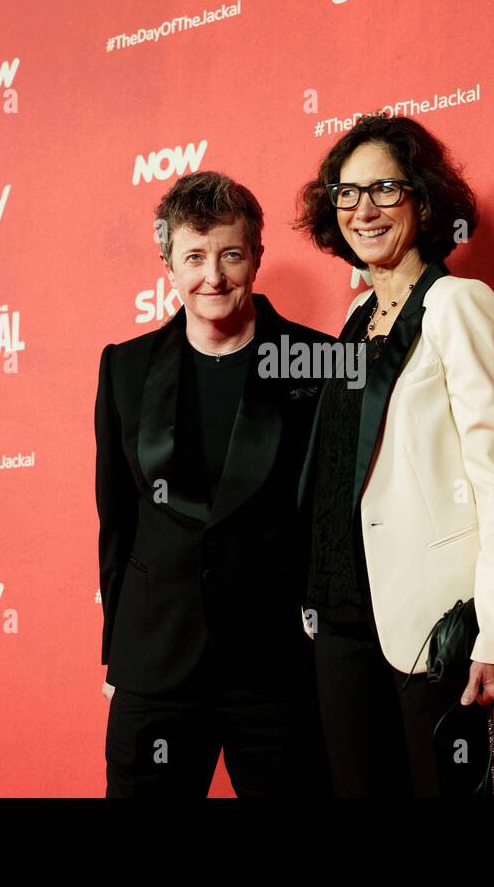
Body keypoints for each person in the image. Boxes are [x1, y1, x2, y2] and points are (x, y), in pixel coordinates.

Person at [293, 114, 494, 797]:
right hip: (345, 620)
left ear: (424, 200)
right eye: (346, 193)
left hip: (434, 625)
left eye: (384, 189)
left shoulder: (459, 305)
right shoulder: (350, 322)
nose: (363, 210)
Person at [95, 170, 332, 797]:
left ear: (257, 254)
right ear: (168, 263)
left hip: (276, 664)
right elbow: (117, 517)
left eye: (229, 254)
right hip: (156, 660)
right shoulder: (126, 366)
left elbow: (331, 515)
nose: (214, 277)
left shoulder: (320, 361)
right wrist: (117, 650)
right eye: (194, 257)